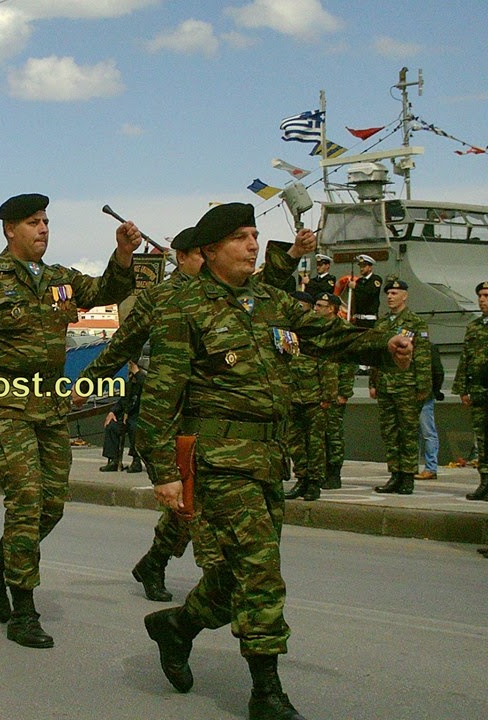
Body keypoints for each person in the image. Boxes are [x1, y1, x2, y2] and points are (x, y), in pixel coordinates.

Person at [79, 202, 411, 720]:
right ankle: (266, 693)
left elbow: (325, 334)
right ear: (211, 251)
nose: (254, 244)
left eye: (256, 234)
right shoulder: (184, 307)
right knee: (262, 573)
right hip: (218, 459)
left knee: (235, 575)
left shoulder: (267, 300)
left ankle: (177, 627)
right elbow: (162, 397)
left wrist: (382, 342)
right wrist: (165, 473)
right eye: (240, 236)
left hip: (267, 458)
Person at [0, 192, 141, 648]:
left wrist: (123, 254)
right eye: (33, 223)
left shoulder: (60, 279)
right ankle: (23, 609)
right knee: (25, 498)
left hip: (49, 407)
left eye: (46, 221)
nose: (43, 229)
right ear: (9, 230)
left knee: (53, 505)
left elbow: (107, 291)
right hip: (4, 407)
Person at [79, 225, 314, 605]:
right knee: (191, 503)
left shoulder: (229, 294)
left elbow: (268, 286)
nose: (207, 263)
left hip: (217, 418)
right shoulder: (163, 298)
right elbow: (122, 346)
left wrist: (292, 255)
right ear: (183, 257)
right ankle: (203, 589)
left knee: (193, 504)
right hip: (180, 414)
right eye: (200, 256)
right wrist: (87, 383)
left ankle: (158, 564)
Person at [370, 279, 431, 495]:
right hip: (386, 385)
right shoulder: (382, 324)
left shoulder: (416, 323)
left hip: (407, 386)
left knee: (407, 432)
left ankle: (407, 476)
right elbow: (376, 355)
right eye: (388, 293)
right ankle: (394, 474)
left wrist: (423, 387)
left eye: (395, 293)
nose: (390, 297)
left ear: (405, 296)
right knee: (389, 432)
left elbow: (423, 357)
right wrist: (373, 382)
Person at [284, 292, 337, 502]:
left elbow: (328, 364)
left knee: (315, 443)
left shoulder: (318, 332)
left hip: (315, 396)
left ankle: (314, 481)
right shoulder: (289, 332)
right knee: (295, 442)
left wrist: (328, 395)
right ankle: (302, 478)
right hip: (293, 396)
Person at [312, 292, 355, 489]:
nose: (316, 308)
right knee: (320, 434)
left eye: (320, 305)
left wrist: (344, 392)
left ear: (331, 309)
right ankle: (322, 470)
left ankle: (334, 472)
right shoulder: (316, 329)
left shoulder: (344, 330)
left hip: (336, 391)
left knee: (333, 433)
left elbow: (348, 363)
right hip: (319, 391)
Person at [451, 281, 488, 501]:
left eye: (486, 295)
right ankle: (485, 482)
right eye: (480, 296)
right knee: (482, 438)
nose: (482, 300)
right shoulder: (474, 326)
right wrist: (462, 388)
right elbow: (466, 358)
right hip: (479, 390)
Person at [99, 359, 146, 473]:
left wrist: (137, 373)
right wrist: (112, 412)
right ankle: (114, 460)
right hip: (128, 415)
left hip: (141, 415)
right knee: (112, 426)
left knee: (134, 427)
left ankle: (136, 461)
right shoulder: (130, 382)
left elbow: (146, 386)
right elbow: (123, 400)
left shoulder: (143, 380)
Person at [415, 344, 444, 481]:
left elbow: (438, 371)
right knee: (414, 433)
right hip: (408, 395)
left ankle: (431, 467)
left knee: (427, 432)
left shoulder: (429, 348)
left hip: (424, 395)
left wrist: (435, 391)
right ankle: (412, 467)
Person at [350, 254, 382, 328]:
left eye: (364, 266)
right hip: (358, 319)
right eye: (360, 266)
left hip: (369, 320)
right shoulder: (359, 281)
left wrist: (356, 286)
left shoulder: (375, 279)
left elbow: (369, 292)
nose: (361, 269)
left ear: (370, 267)